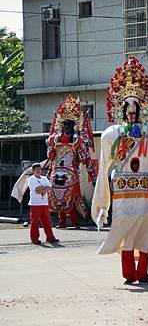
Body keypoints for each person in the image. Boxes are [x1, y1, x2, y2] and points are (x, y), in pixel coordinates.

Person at [92, 56, 148, 285]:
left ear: (143, 107)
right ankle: (129, 273)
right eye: (126, 106)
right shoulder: (111, 134)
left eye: (135, 106)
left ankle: (143, 273)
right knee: (124, 233)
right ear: (120, 107)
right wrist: (102, 204)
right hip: (124, 195)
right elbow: (103, 170)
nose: (131, 111)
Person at [46, 95, 96, 229]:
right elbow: (50, 157)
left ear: (75, 126)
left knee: (71, 198)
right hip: (55, 172)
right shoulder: (53, 140)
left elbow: (86, 158)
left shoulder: (78, 140)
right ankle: (61, 222)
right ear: (61, 125)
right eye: (65, 124)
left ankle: (75, 222)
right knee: (56, 196)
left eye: (71, 124)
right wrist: (51, 150)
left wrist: (93, 176)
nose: (68, 126)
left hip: (71, 173)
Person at [27, 163, 59, 245]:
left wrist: (42, 189)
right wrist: (44, 188)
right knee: (34, 222)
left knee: (47, 222)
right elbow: (37, 190)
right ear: (33, 171)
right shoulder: (31, 179)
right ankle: (34, 239)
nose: (38, 171)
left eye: (39, 169)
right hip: (35, 204)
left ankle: (50, 238)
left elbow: (49, 187)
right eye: (36, 169)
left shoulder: (44, 178)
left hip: (44, 204)